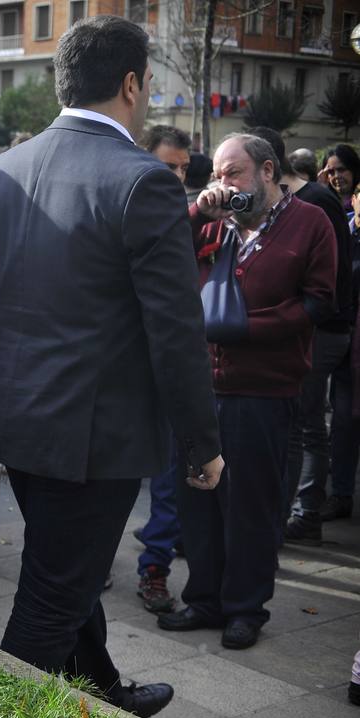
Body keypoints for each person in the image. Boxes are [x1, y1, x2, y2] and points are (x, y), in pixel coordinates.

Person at [0, 16, 223, 718]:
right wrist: (203, 444)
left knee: (63, 569)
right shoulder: (144, 181)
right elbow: (175, 331)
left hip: (24, 421)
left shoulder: (6, 170)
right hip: (94, 436)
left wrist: (8, 392)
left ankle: (101, 690)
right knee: (52, 593)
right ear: (133, 83)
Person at [158, 133, 336, 650]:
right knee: (199, 499)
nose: (223, 183)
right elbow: (166, 253)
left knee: (250, 503)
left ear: (266, 171)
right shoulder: (214, 221)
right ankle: (205, 598)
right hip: (201, 385)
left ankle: (244, 608)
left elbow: (320, 301)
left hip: (263, 388)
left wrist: (248, 328)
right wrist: (197, 211)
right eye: (217, 172)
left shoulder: (310, 222)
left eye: (232, 173)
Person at [247, 127, 354, 548]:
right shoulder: (299, 201)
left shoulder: (314, 204)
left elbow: (327, 286)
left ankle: (300, 516)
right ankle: (288, 515)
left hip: (322, 331)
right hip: (315, 328)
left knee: (302, 426)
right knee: (302, 424)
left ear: (267, 167)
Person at [127, 124, 195, 613]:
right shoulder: (128, 205)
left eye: (183, 169)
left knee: (169, 480)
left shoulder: (200, 218)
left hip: (169, 375)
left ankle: (154, 568)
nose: (175, 176)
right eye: (167, 165)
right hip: (121, 375)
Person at [322, 144, 360, 212]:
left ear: (354, 170)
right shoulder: (322, 202)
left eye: (341, 170)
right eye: (331, 172)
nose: (336, 176)